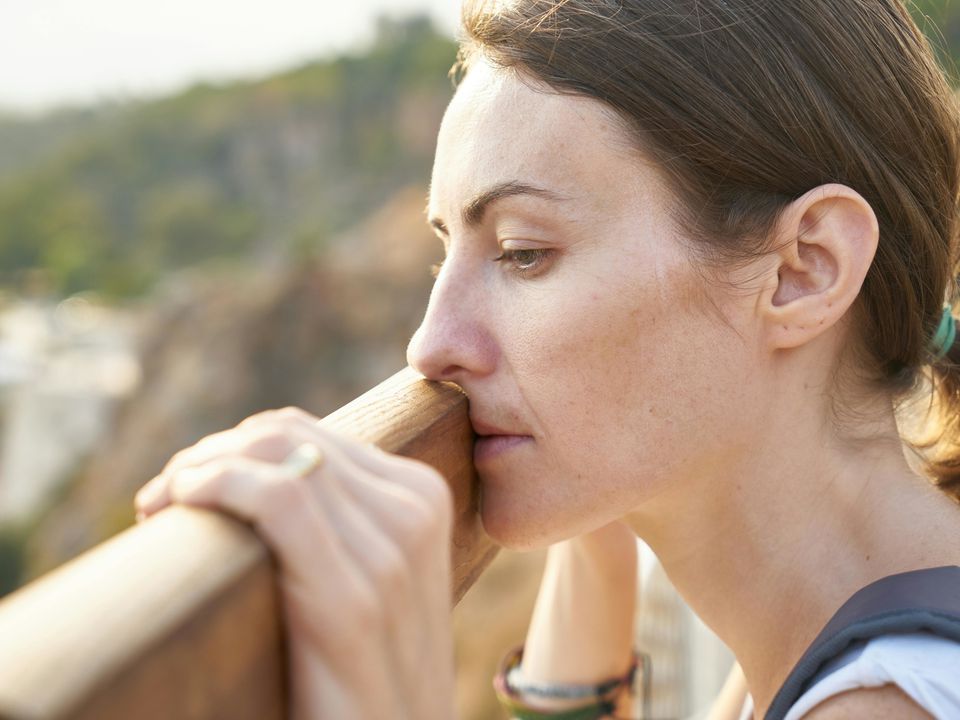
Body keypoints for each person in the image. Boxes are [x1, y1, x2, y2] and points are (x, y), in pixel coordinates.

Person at [134, 0, 960, 717]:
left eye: (524, 253)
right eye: (443, 255)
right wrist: (592, 548)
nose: (429, 345)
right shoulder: (840, 630)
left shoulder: (885, 703)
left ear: (801, 270)